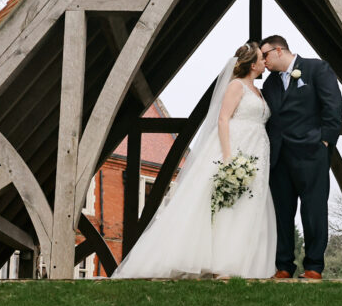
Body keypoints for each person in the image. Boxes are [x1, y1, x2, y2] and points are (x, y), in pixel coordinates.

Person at [112, 42, 275, 278]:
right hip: (237, 148)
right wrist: (229, 157)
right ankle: (221, 265)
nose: (264, 61)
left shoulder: (259, 91)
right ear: (251, 64)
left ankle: (240, 263)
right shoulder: (236, 86)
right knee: (226, 206)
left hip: (257, 150)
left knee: (248, 205)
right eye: (261, 58)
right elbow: (223, 119)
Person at [259, 35, 342, 279]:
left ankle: (314, 267)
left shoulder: (317, 69)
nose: (263, 62)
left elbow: (333, 105)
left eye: (265, 55)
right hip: (280, 157)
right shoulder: (270, 85)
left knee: (314, 210)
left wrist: (325, 141)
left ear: (278, 50)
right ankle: (284, 266)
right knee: (282, 212)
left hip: (311, 153)